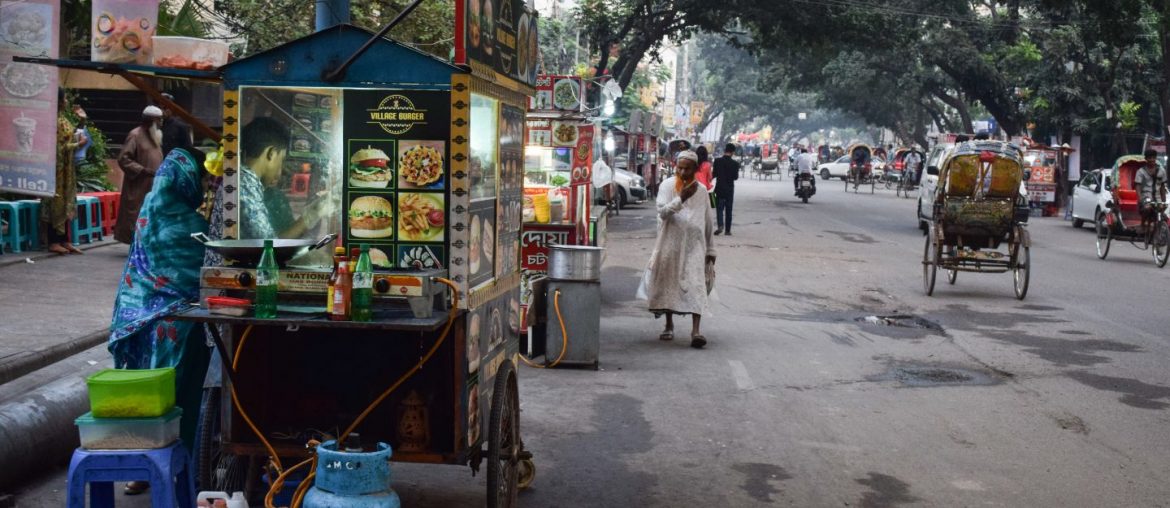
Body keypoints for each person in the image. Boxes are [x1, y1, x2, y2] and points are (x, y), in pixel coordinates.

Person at [109, 124, 210, 495]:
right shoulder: (191, 225)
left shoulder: (150, 210)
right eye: (198, 179)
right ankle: (179, 467)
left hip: (134, 320)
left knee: (143, 396)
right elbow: (204, 269)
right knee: (180, 394)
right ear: (186, 182)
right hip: (173, 325)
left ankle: (141, 468)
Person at [205, 117, 329, 265]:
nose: (280, 168)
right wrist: (312, 214)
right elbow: (270, 246)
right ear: (271, 153)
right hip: (225, 282)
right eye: (281, 159)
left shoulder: (244, 180)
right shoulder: (244, 184)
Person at [637, 150, 716, 349]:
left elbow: (707, 221)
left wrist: (711, 251)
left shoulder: (703, 191)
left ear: (696, 169)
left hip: (694, 245)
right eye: (679, 167)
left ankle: (696, 331)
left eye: (687, 168)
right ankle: (668, 324)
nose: (682, 171)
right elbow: (663, 212)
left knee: (697, 283)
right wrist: (680, 198)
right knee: (669, 283)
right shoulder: (667, 186)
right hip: (670, 242)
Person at [42, 91, 85, 255]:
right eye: (65, 98)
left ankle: (65, 240)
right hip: (56, 169)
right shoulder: (53, 121)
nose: (67, 101)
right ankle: (53, 241)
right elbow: (59, 148)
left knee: (66, 201)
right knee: (57, 202)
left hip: (67, 169)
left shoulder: (62, 119)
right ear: (59, 101)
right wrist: (78, 144)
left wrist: (82, 120)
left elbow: (69, 136)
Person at [114, 106, 165, 244]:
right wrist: (142, 170)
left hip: (153, 185)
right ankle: (135, 246)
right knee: (136, 215)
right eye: (159, 120)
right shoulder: (135, 135)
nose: (161, 122)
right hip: (138, 185)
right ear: (151, 121)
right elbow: (124, 159)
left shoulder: (154, 136)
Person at [712, 143, 740, 235]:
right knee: (729, 209)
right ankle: (728, 230)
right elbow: (735, 177)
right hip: (729, 189)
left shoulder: (717, 161)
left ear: (725, 150)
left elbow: (714, 174)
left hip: (719, 188)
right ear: (732, 152)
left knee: (719, 208)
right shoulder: (735, 164)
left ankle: (720, 225)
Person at [1135, 149, 1168, 226]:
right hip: (1145, 198)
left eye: (1153, 157)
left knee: (1163, 214)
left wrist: (1164, 201)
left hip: (1158, 198)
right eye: (1150, 158)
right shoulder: (1141, 172)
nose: (1152, 160)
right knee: (1147, 208)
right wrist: (1140, 199)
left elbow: (1162, 187)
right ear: (1146, 159)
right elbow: (1137, 186)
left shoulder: (1161, 171)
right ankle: (1142, 224)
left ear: (1156, 158)